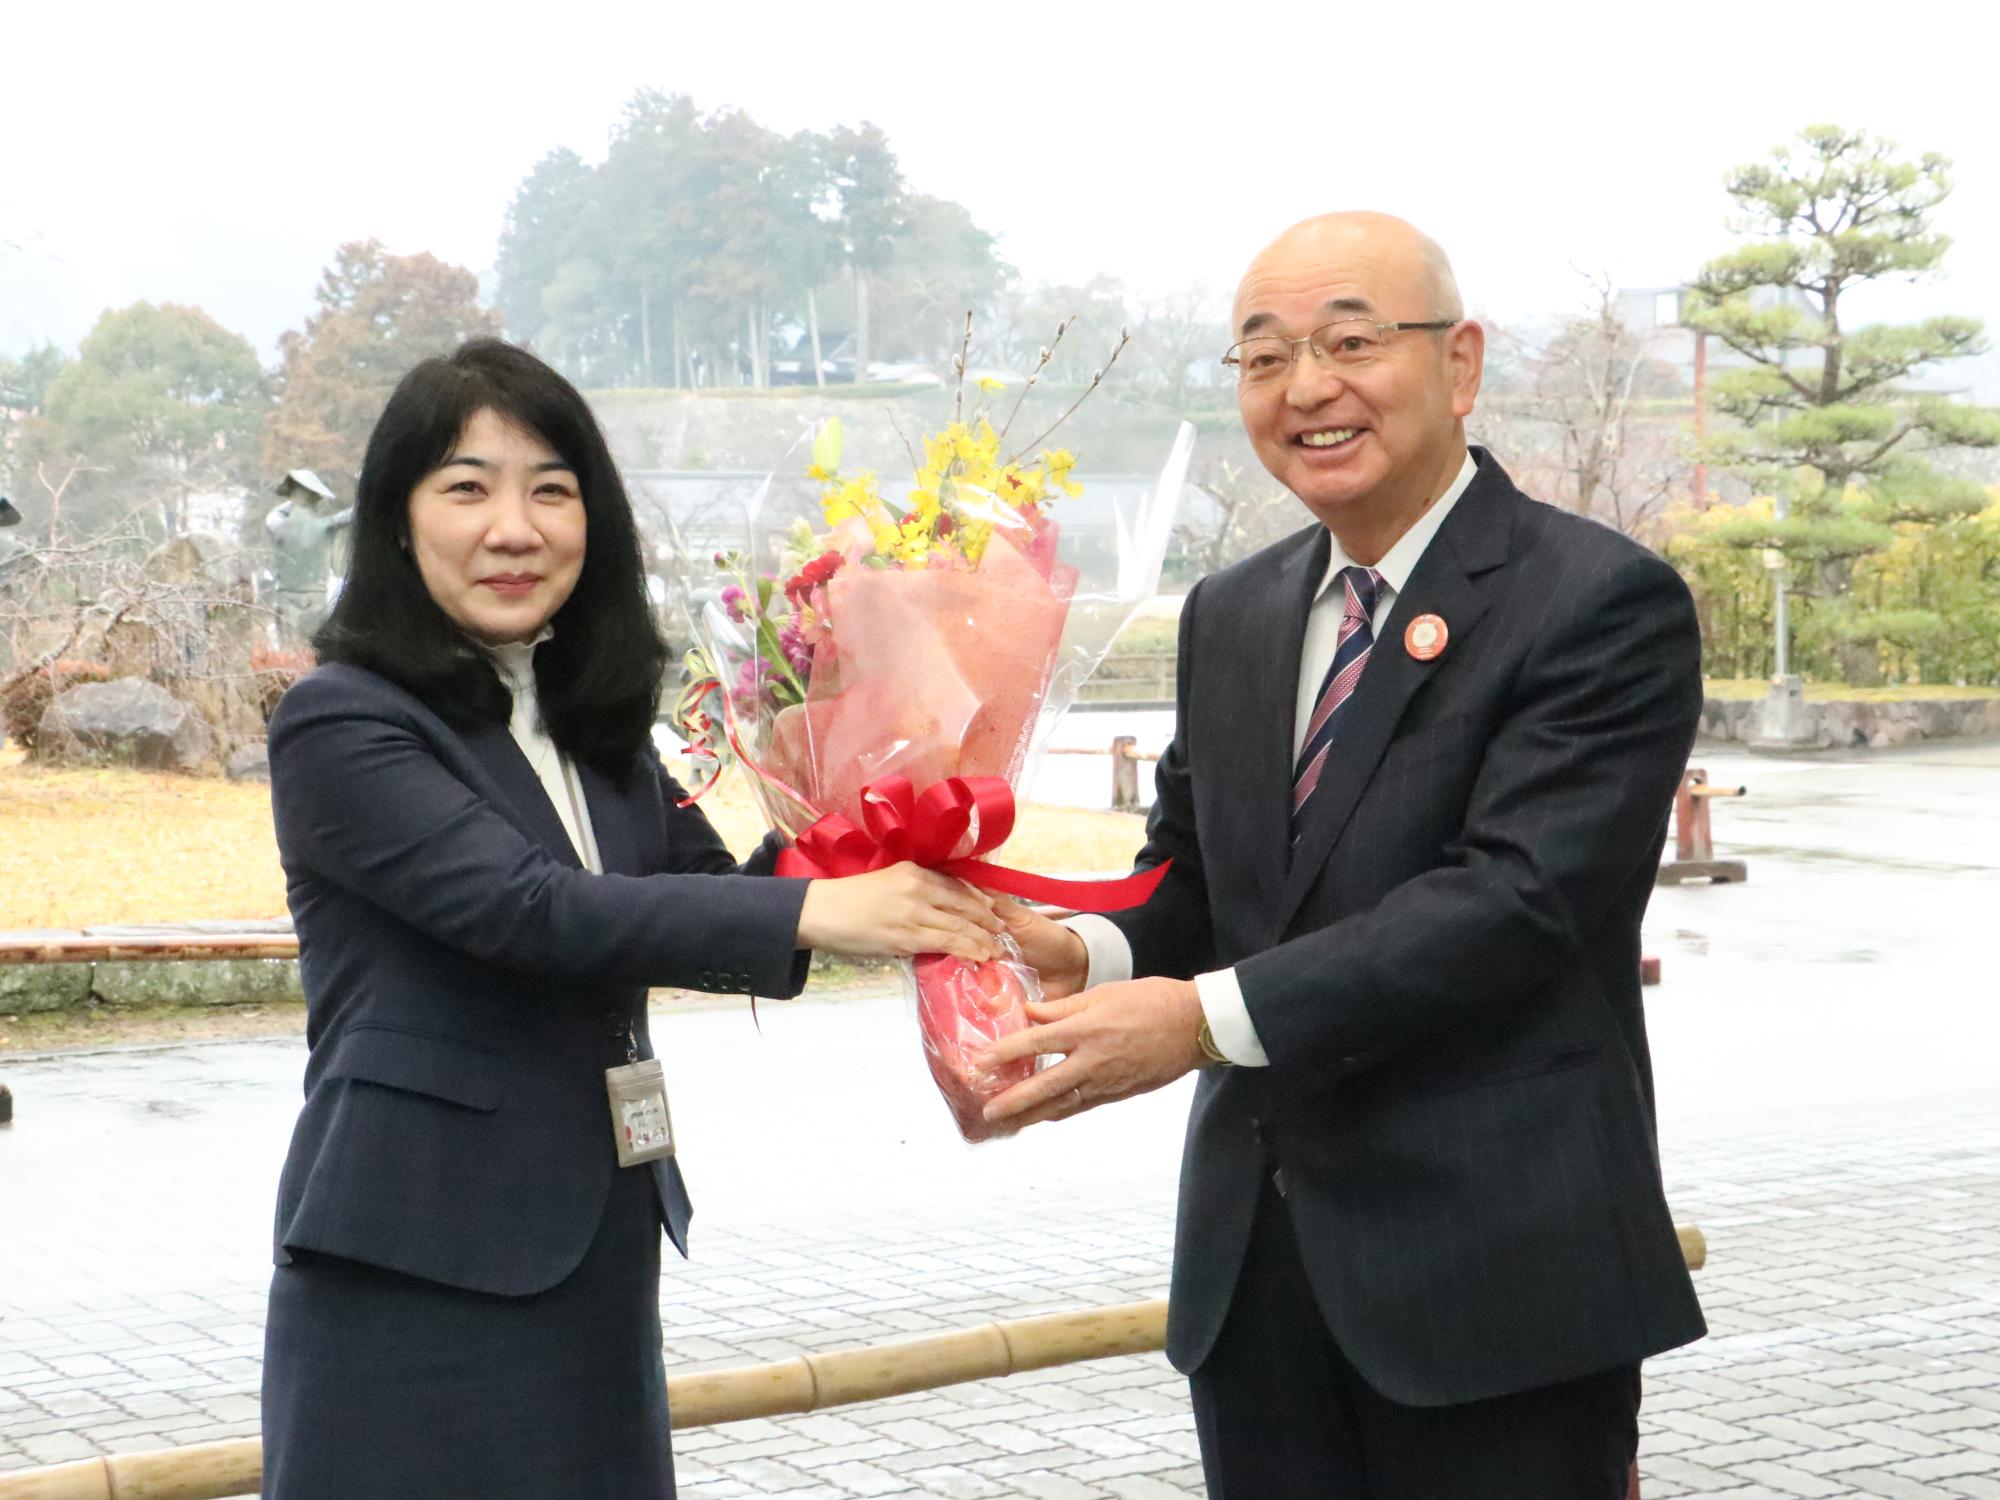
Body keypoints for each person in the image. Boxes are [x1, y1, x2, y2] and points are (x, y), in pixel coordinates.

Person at [986, 214, 1707, 1498]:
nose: (1305, 387)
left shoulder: (1596, 600)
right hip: (1256, 1279)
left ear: (1459, 364)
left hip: (1499, 1290)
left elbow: (1513, 903)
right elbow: (1200, 880)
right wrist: (1078, 950)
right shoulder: (1235, 610)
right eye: (1262, 357)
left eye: (1349, 342)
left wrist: (1199, 1022)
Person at [260, 338, 1004, 1499]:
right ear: (397, 521)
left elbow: (711, 903)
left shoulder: (588, 724)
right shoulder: (341, 721)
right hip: (418, 1258)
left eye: (552, 489)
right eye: (467, 487)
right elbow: (530, 912)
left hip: (596, 1245)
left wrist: (873, 783)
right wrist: (822, 908)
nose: (516, 527)